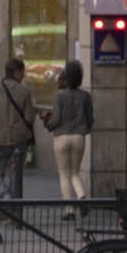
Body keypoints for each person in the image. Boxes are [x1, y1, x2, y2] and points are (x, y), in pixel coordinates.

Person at [0, 57, 37, 201]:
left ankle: (2, 193)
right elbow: (30, 117)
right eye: (22, 72)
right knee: (15, 174)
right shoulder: (24, 92)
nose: (23, 75)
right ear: (16, 72)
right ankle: (13, 208)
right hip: (18, 138)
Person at [45, 59, 94, 201]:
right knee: (75, 173)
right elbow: (90, 119)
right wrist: (85, 129)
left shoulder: (59, 96)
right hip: (79, 136)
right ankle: (81, 195)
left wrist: (48, 124)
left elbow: (56, 120)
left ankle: (69, 211)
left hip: (61, 137)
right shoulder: (85, 96)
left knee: (64, 175)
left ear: (66, 78)